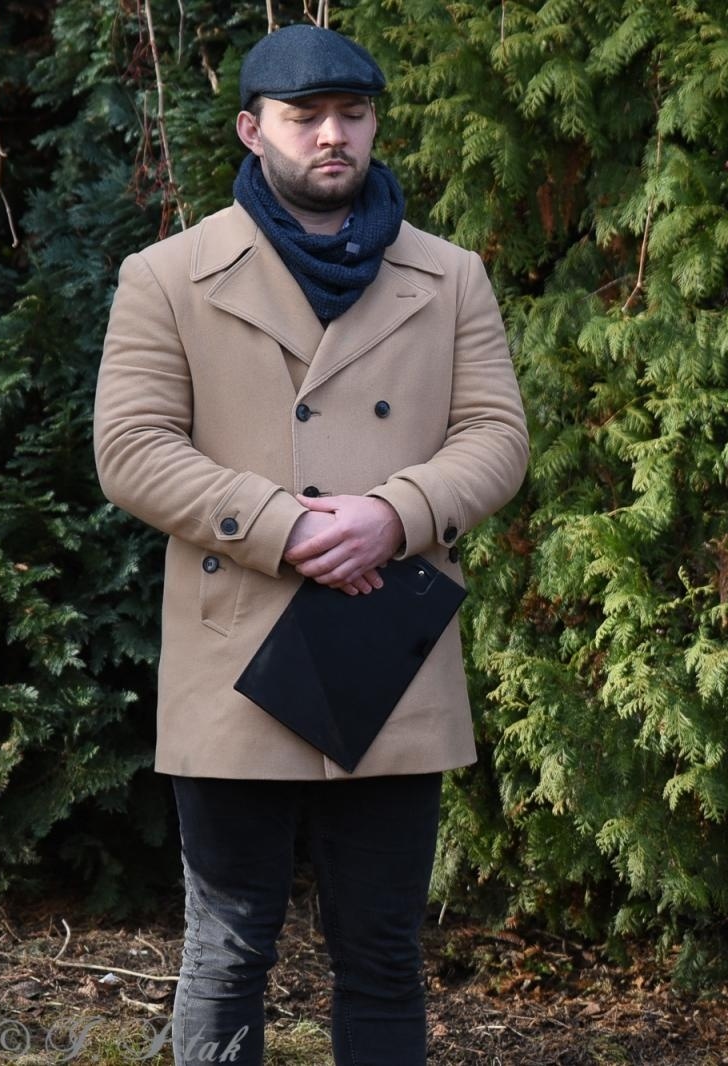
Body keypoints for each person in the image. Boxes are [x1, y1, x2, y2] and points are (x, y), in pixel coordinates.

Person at [93, 23, 528, 1066]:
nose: (331, 136)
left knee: (381, 951)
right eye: (304, 117)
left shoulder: (450, 276)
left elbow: (497, 437)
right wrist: (283, 528)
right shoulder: (167, 274)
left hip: (386, 644)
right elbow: (131, 449)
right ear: (252, 131)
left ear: (375, 121)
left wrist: (398, 511)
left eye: (352, 114)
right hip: (237, 651)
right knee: (228, 949)